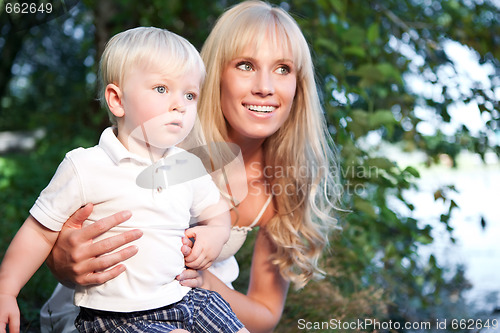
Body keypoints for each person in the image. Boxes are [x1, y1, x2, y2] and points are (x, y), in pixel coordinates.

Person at [40, 1, 341, 332]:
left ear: (299, 86)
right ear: (214, 75)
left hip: (189, 312)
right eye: (245, 65)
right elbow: (58, 231)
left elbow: (265, 314)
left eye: (283, 69)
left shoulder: (281, 185)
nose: (265, 87)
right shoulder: (166, 146)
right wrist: (61, 260)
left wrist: (205, 282)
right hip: (105, 315)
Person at [0, 27, 249, 333]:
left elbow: (216, 213)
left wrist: (214, 235)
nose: (180, 105)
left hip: (183, 298)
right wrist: (6, 291)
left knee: (232, 324)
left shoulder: (186, 165)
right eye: (161, 89)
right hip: (117, 317)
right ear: (117, 100)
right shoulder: (87, 165)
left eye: (190, 94)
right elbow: (39, 233)